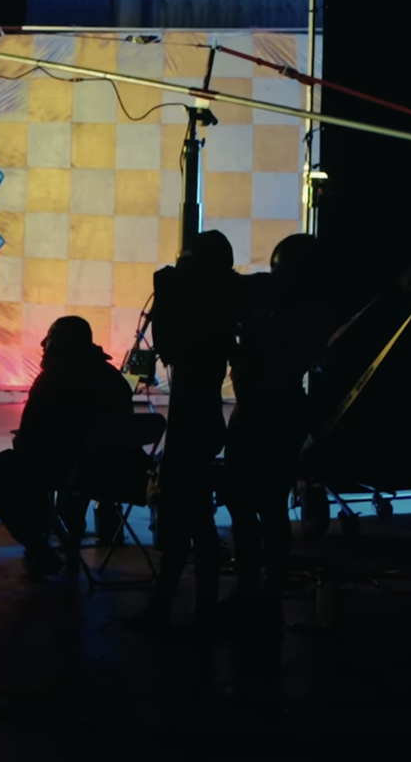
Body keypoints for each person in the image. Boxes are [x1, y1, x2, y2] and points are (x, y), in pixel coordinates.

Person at [129, 229, 244, 632]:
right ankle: (189, 608)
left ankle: (187, 611)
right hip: (199, 418)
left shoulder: (205, 309)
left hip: (193, 420)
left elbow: (170, 348)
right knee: (189, 522)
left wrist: (166, 293)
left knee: (190, 523)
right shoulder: (221, 303)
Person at [223, 232, 341, 616]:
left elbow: (272, 361)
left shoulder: (301, 317)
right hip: (272, 414)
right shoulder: (303, 312)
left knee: (263, 509)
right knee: (252, 507)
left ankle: (260, 592)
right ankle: (259, 591)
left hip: (268, 414)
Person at [0, 316, 135, 577]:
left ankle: (38, 546)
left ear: (61, 343)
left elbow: (27, 441)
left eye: (49, 336)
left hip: (69, 470)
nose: (42, 343)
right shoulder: (113, 378)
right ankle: (59, 538)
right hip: (115, 473)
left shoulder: (53, 379)